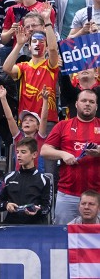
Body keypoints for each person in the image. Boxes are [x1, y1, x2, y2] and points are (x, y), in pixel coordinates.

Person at [41, 88, 100, 224]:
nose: (87, 104)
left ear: (96, 106)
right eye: (84, 100)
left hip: (97, 195)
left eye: (91, 102)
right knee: (64, 237)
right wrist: (62, 154)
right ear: (76, 104)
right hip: (68, 194)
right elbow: (44, 150)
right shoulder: (63, 125)